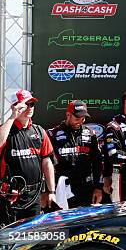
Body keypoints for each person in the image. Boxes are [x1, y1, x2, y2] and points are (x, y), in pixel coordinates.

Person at [0, 90, 55, 226]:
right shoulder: (6, 130)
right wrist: (13, 116)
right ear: (15, 106)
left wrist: (51, 191)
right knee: (10, 238)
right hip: (10, 196)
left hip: (35, 196)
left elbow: (47, 162)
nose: (30, 108)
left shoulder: (39, 131)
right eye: (26, 105)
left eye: (32, 104)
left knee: (32, 237)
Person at [47, 100, 103, 208]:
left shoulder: (90, 134)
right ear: (68, 115)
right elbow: (47, 164)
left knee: (85, 221)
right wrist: (48, 191)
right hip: (62, 188)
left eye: (83, 118)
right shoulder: (52, 134)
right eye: (77, 118)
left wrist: (98, 187)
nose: (80, 121)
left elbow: (97, 162)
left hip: (86, 188)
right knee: (62, 223)